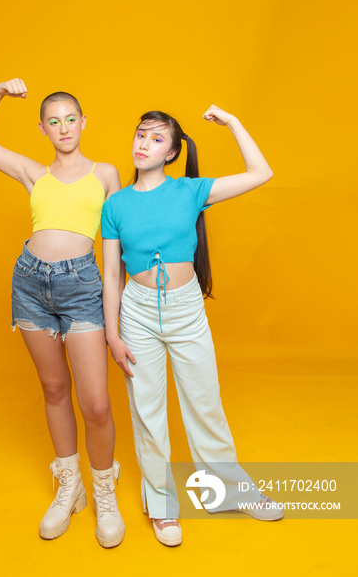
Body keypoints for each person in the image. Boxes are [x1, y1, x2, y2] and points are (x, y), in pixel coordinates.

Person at [101, 105, 284, 547]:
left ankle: (229, 492)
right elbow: (110, 275)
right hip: (137, 312)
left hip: (185, 309)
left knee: (205, 403)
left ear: (172, 153)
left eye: (157, 138)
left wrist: (234, 122)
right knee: (147, 413)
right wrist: (112, 333)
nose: (144, 143)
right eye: (140, 134)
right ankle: (162, 507)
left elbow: (261, 172)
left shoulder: (190, 190)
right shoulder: (115, 204)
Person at [0, 78, 125, 548]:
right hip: (30, 284)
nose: (64, 127)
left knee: (96, 404)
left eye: (71, 118)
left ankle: (103, 490)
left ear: (84, 123)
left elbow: (118, 244)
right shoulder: (35, 172)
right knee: (54, 389)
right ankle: (68, 483)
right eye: (53, 121)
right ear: (42, 129)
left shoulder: (106, 174)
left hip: (82, 288)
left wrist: (124, 312)